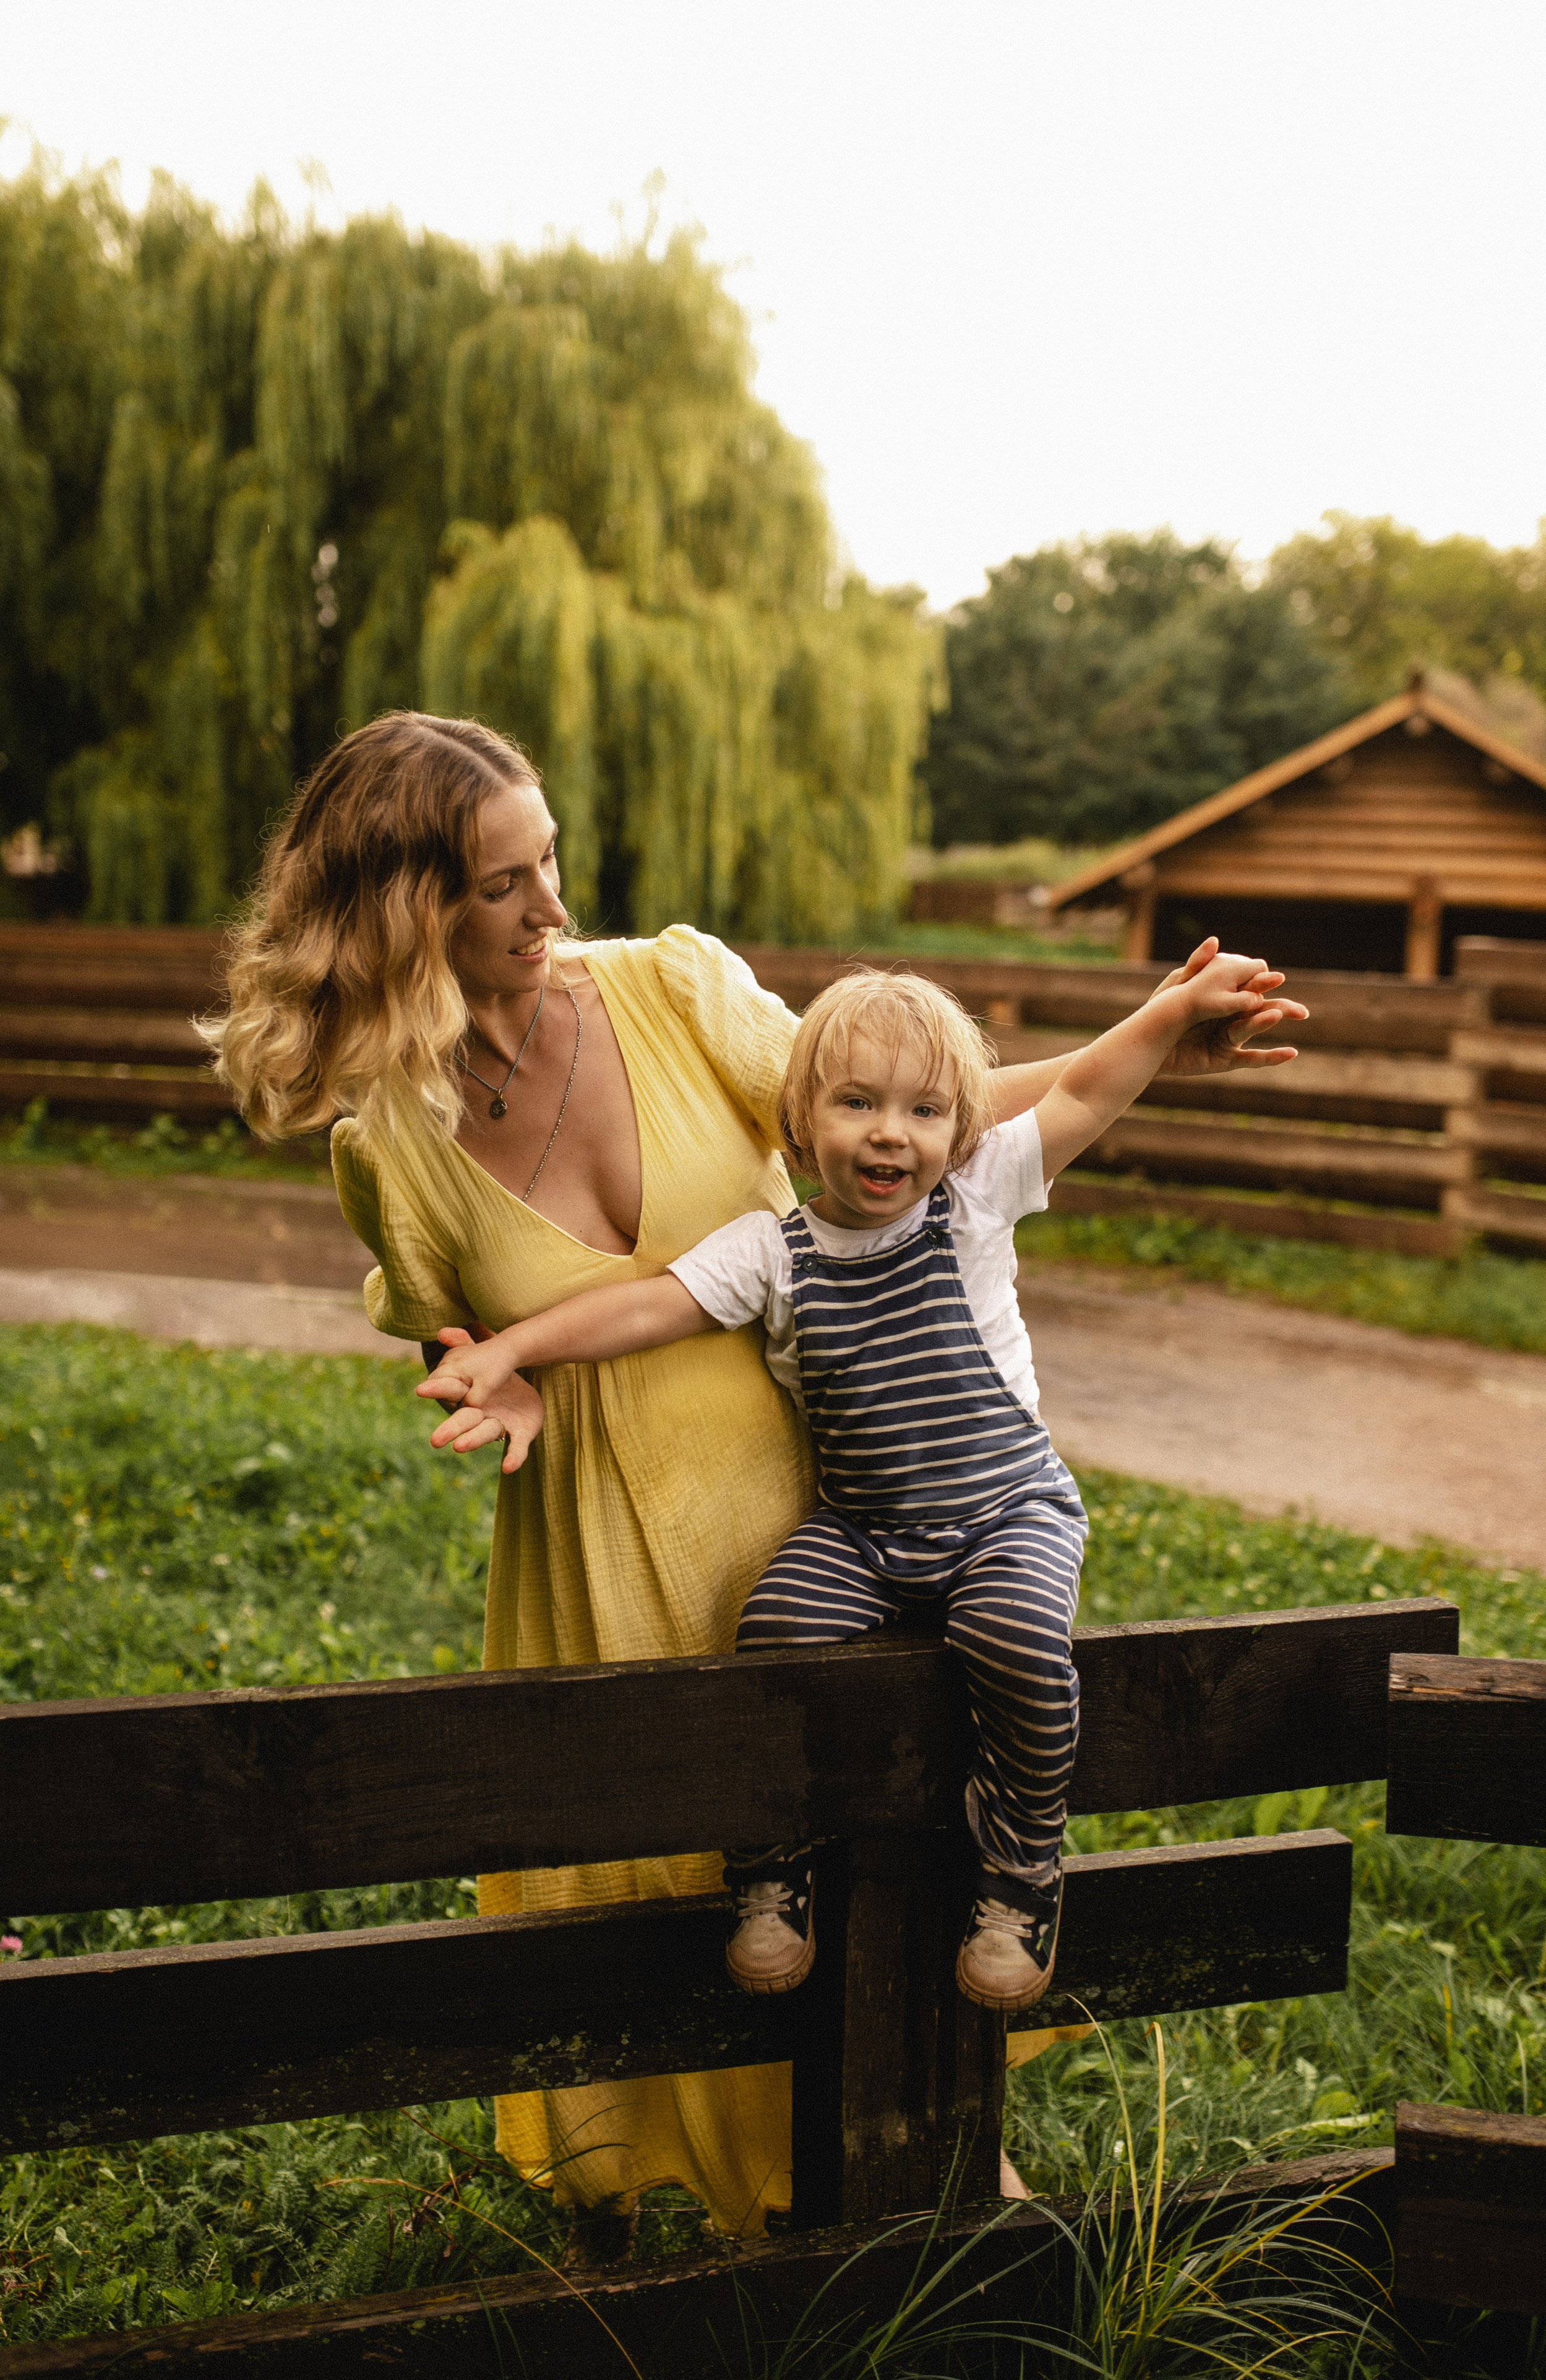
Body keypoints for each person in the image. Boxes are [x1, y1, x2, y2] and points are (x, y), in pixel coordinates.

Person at [213, 709, 1305, 2241]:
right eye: (501, 885)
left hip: (819, 1504)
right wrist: (498, 1365)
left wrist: (1145, 1043)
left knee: (877, 1825)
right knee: (682, 1885)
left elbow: (899, 1102)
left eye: (547, 862)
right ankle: (701, 2240)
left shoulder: (671, 990)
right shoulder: (387, 1142)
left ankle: (939, 2203)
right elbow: (456, 1328)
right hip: (603, 1550)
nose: (549, 907)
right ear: (406, 912)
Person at [419, 956, 1296, 2024]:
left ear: (963, 1130)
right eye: (858, 1103)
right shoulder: (775, 1252)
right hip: (865, 1532)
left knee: (1018, 1638)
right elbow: (649, 1307)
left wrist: (1165, 1017)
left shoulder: (976, 1198)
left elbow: (1082, 1092)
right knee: (775, 1634)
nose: (892, 1135)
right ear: (799, 1121)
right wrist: (513, 1349)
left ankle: (1021, 1869)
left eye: (926, 1110)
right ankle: (771, 1868)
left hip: (1007, 1510)